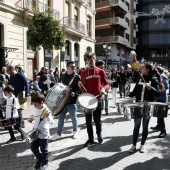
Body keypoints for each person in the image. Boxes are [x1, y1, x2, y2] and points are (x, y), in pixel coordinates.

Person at [127, 63, 161, 153]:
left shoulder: (153, 79)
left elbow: (157, 93)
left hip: (147, 105)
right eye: (141, 68)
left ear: (147, 69)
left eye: (143, 68)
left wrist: (151, 88)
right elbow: (135, 92)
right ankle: (133, 145)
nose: (141, 69)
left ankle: (142, 145)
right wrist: (129, 94)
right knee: (136, 126)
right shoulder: (139, 79)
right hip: (138, 105)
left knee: (145, 126)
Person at [78, 53, 110, 147]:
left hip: (98, 98)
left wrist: (104, 89)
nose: (90, 61)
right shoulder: (83, 73)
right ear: (86, 61)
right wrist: (79, 86)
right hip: (87, 100)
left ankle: (99, 134)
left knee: (97, 120)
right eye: (88, 60)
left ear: (95, 60)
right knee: (88, 121)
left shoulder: (100, 71)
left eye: (91, 59)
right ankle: (90, 139)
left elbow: (107, 84)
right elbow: (82, 88)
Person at [50, 61, 80, 140]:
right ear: (67, 67)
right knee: (61, 117)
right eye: (72, 66)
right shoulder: (62, 76)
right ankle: (58, 133)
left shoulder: (77, 77)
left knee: (73, 117)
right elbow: (59, 86)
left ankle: (75, 131)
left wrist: (75, 93)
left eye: (74, 66)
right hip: (63, 101)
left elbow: (79, 90)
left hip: (71, 100)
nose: (73, 68)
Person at [29, 92, 53, 170]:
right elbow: (36, 119)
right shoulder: (36, 108)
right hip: (35, 132)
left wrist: (48, 116)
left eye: (35, 104)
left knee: (44, 150)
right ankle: (39, 159)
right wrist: (31, 119)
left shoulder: (46, 110)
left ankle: (45, 162)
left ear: (41, 102)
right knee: (33, 148)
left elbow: (52, 122)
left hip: (43, 133)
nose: (34, 106)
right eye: (33, 104)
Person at [150, 66, 169, 138]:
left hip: (162, 98)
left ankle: (163, 131)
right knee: (158, 113)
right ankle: (158, 126)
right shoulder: (160, 76)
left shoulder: (163, 76)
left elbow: (166, 87)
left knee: (160, 115)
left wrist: (157, 90)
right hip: (159, 97)